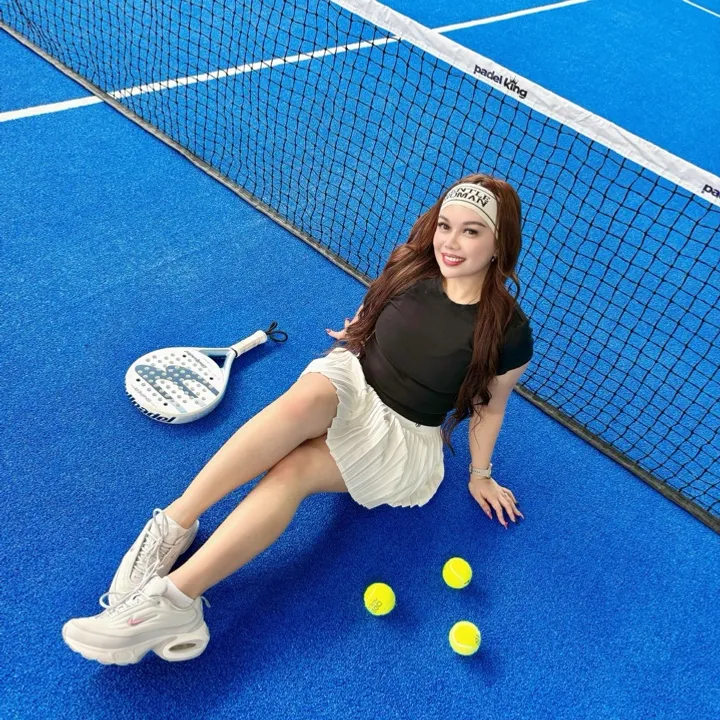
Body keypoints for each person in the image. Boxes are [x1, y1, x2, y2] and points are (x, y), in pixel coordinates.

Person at [62, 173, 534, 665]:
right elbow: (373, 311)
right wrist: (362, 327)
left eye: (470, 231)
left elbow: (490, 406)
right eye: (445, 225)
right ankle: (174, 524)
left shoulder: (507, 331)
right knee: (302, 400)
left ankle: (176, 601)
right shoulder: (411, 266)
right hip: (356, 383)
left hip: (401, 437)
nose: (450, 243)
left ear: (498, 242)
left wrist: (480, 474)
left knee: (293, 470)